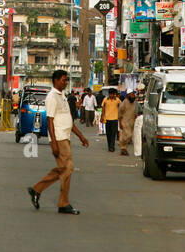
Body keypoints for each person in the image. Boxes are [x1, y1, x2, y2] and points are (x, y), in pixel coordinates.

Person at [27, 70, 89, 214]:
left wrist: (80, 136)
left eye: (66, 80)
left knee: (65, 169)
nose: (65, 82)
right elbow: (50, 120)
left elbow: (68, 119)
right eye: (63, 80)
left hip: (66, 137)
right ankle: (61, 202)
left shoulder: (63, 96)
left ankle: (38, 190)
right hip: (59, 138)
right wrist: (53, 142)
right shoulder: (52, 97)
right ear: (55, 80)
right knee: (67, 169)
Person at [101, 87, 121, 152]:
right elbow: (103, 108)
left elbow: (121, 107)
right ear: (109, 94)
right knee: (108, 134)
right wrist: (102, 116)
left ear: (115, 94)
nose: (111, 95)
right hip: (107, 119)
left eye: (113, 94)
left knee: (113, 134)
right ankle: (109, 145)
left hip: (115, 119)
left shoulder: (117, 100)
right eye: (110, 94)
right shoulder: (105, 99)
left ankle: (112, 147)